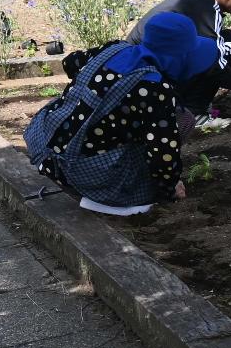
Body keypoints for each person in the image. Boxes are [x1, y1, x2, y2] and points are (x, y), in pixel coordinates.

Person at [23, 12, 219, 217]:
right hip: (84, 172)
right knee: (184, 120)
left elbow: (71, 63)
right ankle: (112, 198)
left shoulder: (114, 48)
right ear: (179, 56)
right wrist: (170, 188)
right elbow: (162, 153)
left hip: (47, 143)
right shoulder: (153, 87)